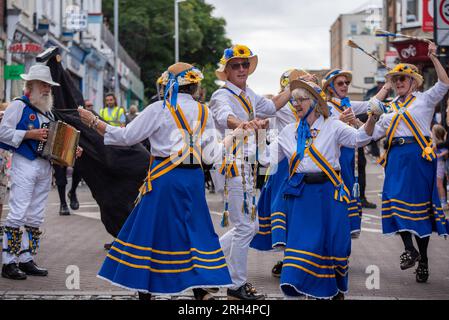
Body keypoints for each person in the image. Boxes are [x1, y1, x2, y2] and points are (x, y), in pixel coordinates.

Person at [78, 62, 252, 300]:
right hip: (192, 180)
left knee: (153, 233)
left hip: (165, 179)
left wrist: (92, 122)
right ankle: (200, 291)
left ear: (169, 85)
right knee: (195, 232)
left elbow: (126, 137)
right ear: (194, 86)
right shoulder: (204, 112)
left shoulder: (159, 108)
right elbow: (212, 153)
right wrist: (233, 137)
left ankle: (146, 292)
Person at [260, 79, 381, 299]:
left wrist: (372, 118)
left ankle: (333, 289)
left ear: (315, 102)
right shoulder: (288, 131)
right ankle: (299, 288)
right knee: (302, 247)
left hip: (328, 194)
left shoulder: (332, 125)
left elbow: (359, 138)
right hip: (301, 197)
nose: (296, 104)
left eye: (301, 100)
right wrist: (256, 134)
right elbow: (266, 160)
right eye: (294, 100)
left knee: (335, 247)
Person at [209, 44, 292, 300]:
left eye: (245, 65)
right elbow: (225, 117)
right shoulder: (221, 96)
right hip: (231, 163)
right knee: (245, 226)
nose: (242, 69)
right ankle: (236, 286)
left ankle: (206, 266)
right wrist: (244, 123)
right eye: (236, 65)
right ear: (227, 71)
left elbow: (273, 105)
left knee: (250, 225)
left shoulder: (249, 94)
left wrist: (295, 86)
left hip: (244, 164)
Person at [369, 42, 449, 283]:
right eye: (396, 79)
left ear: (414, 81)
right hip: (395, 158)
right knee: (392, 201)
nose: (399, 82)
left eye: (403, 78)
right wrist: (358, 120)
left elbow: (445, 83)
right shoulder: (389, 108)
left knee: (419, 212)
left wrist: (434, 57)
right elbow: (370, 134)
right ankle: (409, 249)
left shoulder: (424, 100)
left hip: (418, 158)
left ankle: (423, 259)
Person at [0, 64, 82, 280]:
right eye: (43, 85)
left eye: (49, 86)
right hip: (24, 162)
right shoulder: (18, 106)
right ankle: (8, 262)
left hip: (45, 166)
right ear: (31, 85)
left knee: (35, 214)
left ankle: (27, 258)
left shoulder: (48, 112)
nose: (47, 89)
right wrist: (29, 134)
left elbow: (55, 140)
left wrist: (73, 148)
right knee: (18, 211)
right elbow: (3, 132)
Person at [250, 69, 316, 278]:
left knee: (307, 211)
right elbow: (261, 110)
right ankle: (290, 258)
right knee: (285, 209)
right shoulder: (280, 106)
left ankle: (306, 257)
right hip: (284, 164)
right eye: (301, 84)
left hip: (311, 163)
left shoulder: (313, 104)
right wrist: (261, 130)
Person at [322, 69, 391, 238]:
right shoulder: (324, 106)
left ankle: (343, 239)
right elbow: (320, 131)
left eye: (346, 83)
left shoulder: (348, 104)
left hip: (348, 155)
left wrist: (389, 83)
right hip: (333, 156)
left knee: (349, 192)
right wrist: (339, 121)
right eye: (340, 83)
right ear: (330, 88)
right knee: (338, 196)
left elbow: (372, 103)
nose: (345, 85)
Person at [432, 124, 449, 210]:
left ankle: (444, 203)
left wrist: (439, 155)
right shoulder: (434, 143)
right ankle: (440, 201)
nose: (431, 134)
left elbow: (446, 151)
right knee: (437, 184)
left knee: (439, 184)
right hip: (436, 166)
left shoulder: (441, 143)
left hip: (440, 165)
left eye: (433, 132)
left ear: (437, 134)